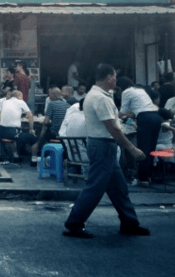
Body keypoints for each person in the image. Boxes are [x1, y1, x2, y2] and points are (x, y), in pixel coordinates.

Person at [63, 63, 149, 239]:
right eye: (115, 78)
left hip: (102, 145)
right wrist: (131, 148)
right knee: (94, 188)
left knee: (119, 189)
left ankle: (129, 223)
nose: (116, 81)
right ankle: (74, 223)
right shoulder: (101, 98)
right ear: (109, 78)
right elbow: (113, 128)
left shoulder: (95, 95)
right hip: (103, 145)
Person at [117, 77, 162, 185]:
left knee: (143, 148)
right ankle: (149, 176)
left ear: (121, 86)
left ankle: (143, 179)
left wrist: (113, 117)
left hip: (145, 118)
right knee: (151, 148)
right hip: (156, 116)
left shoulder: (126, 92)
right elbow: (138, 108)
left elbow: (122, 111)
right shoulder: (140, 90)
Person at [31, 87, 70, 166]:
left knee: (38, 133)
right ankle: (48, 155)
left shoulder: (52, 104)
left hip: (54, 132)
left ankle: (34, 158)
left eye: (50, 95)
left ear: (53, 95)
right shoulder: (68, 105)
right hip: (64, 133)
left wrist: (41, 135)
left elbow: (46, 121)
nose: (49, 97)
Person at [0, 89, 37, 155]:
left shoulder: (5, 102)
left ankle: (15, 155)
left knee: (21, 134)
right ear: (19, 96)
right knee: (34, 139)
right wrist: (31, 129)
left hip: (2, 132)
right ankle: (33, 159)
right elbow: (30, 116)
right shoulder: (21, 102)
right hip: (13, 133)